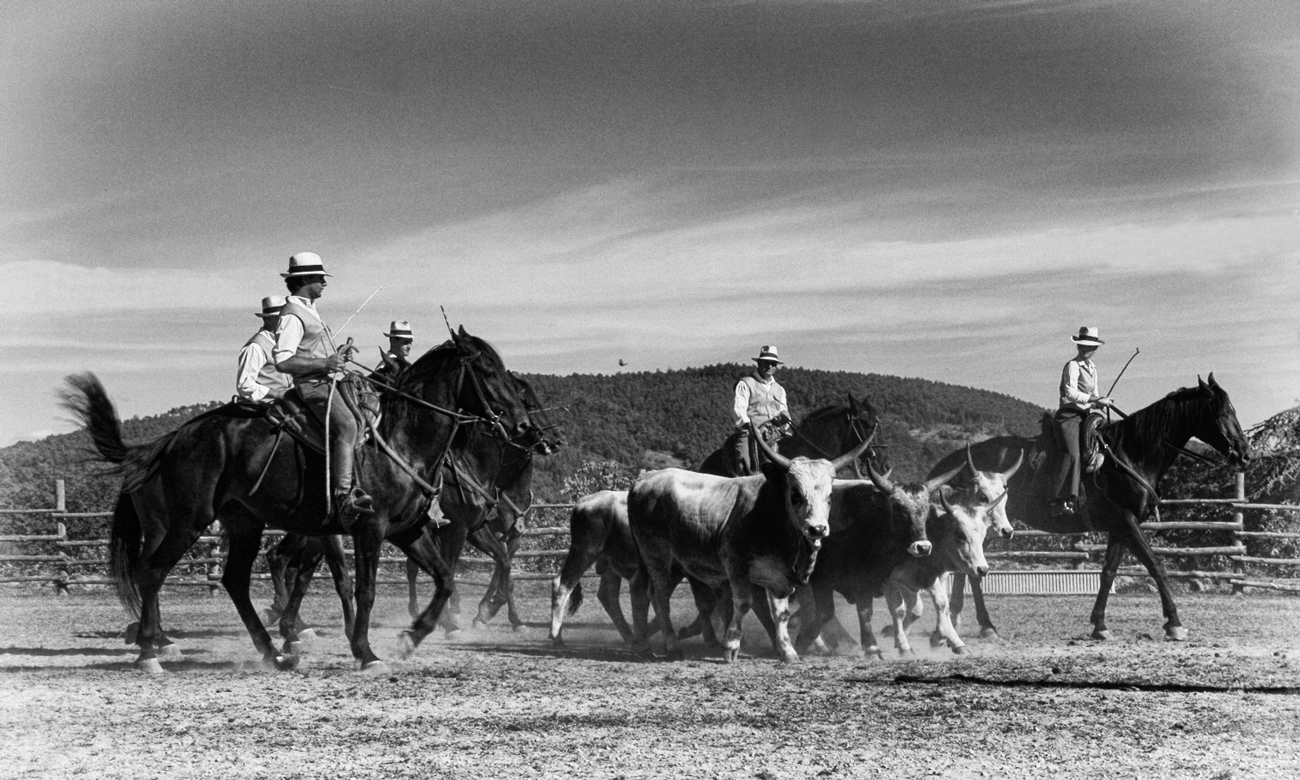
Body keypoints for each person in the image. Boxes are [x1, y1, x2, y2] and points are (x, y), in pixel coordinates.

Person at [272, 252, 370, 526]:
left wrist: (336, 356)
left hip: (329, 380)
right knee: (348, 427)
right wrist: (326, 363)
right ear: (304, 280)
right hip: (314, 387)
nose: (324, 283)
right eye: (319, 278)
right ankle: (343, 498)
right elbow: (282, 361)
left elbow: (313, 351)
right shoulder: (292, 315)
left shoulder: (308, 309)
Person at [1051, 326, 1113, 518]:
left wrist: (1101, 403)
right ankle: (1061, 499)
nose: (1085, 349)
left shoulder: (1093, 369)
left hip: (1087, 417)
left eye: (1090, 347)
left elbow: (1092, 396)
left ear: (1095, 349)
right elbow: (1070, 393)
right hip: (1069, 416)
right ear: (1078, 346)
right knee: (1073, 454)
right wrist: (1095, 400)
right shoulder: (1072, 366)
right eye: (1083, 346)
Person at [731, 345, 792, 475]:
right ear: (759, 363)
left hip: (774, 432)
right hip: (749, 433)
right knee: (744, 468)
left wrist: (784, 422)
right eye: (766, 363)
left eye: (773, 363)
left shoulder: (780, 389)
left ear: (776, 366)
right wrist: (750, 426)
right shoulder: (746, 383)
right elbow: (738, 410)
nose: (769, 366)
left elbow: (785, 413)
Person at [235, 296, 293, 403]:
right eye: (282, 318)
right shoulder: (255, 347)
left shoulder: (284, 344)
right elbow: (244, 385)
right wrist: (277, 393)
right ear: (269, 319)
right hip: (264, 406)